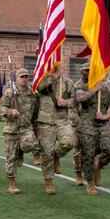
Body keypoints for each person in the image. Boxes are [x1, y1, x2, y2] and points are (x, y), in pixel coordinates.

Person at [74, 63, 110, 196]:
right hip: (86, 125)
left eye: (90, 71)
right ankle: (90, 183)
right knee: (88, 154)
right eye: (85, 71)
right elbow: (80, 98)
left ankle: (98, 166)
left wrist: (105, 116)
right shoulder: (79, 86)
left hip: (103, 124)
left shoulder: (107, 87)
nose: (87, 73)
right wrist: (94, 89)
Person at [34, 64, 76, 194]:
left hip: (62, 120)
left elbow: (74, 100)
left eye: (62, 66)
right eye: (57, 66)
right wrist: (53, 76)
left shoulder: (69, 83)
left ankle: (56, 156)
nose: (60, 68)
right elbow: (38, 87)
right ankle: (49, 182)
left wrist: (66, 103)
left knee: (69, 142)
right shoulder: (44, 80)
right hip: (46, 122)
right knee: (46, 153)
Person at [0, 68, 39, 194]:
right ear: (17, 78)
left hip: (26, 128)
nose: (24, 79)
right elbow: (1, 108)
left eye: (26, 77)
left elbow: (36, 110)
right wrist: (10, 112)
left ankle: (22, 150)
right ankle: (12, 183)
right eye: (22, 77)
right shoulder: (10, 92)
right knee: (11, 157)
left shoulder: (33, 93)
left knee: (31, 144)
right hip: (12, 129)